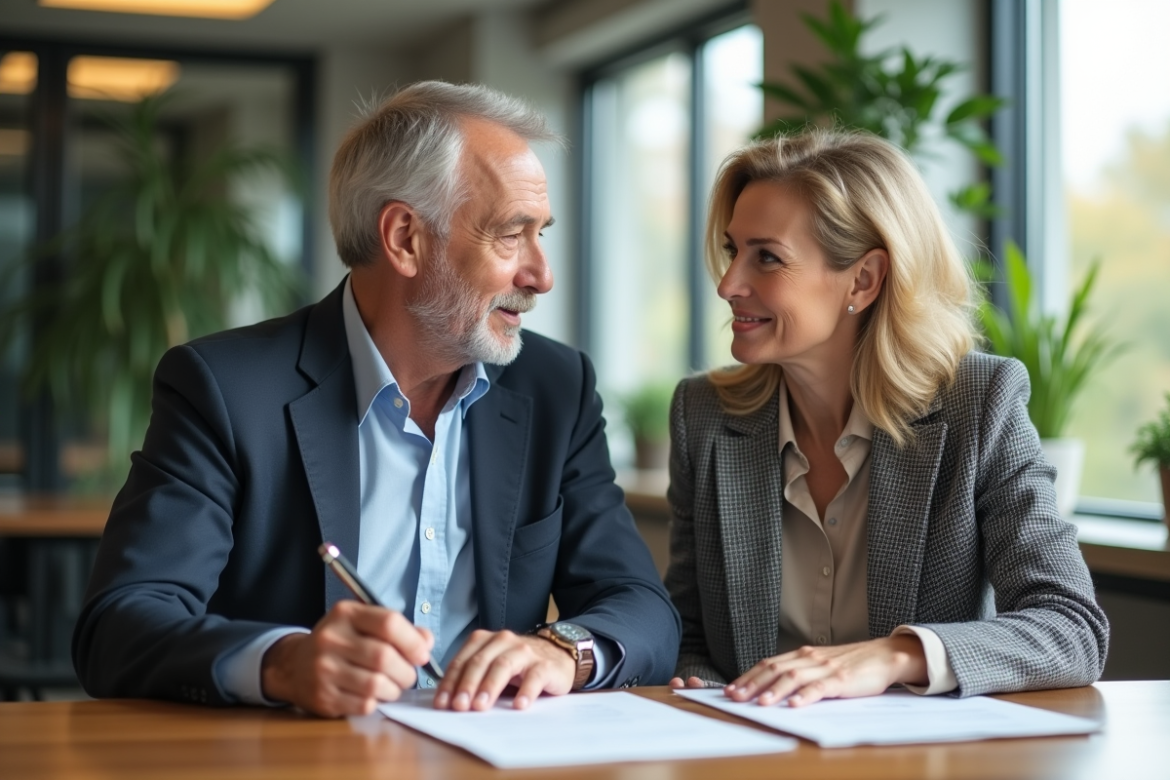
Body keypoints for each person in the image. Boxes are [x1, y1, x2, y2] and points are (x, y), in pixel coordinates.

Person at [72, 81, 679, 717]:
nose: (542, 275)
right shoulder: (225, 389)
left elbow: (642, 607)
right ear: (405, 238)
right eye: (510, 235)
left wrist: (563, 649)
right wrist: (281, 662)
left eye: (541, 234)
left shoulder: (555, 387)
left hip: (490, 747)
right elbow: (118, 624)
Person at [664, 130, 1108, 706]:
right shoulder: (702, 415)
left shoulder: (979, 404)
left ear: (864, 279)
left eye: (767, 257)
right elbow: (690, 633)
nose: (728, 284)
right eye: (733, 251)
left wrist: (893, 655)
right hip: (758, 743)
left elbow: (1072, 627)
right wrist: (706, 689)